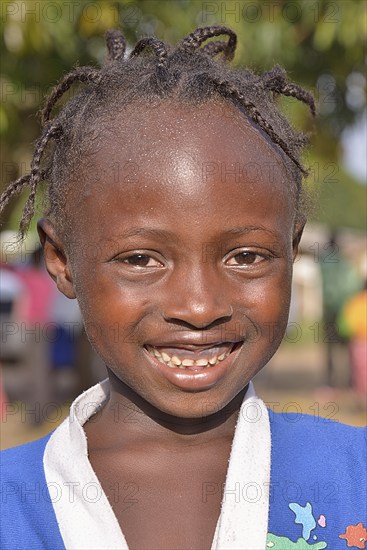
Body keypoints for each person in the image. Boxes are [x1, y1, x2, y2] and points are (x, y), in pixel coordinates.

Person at [0, 26, 365, 550]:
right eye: (141, 259)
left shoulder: (354, 480)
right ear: (63, 261)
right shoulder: (12, 506)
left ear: (290, 248)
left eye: (245, 257)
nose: (198, 306)